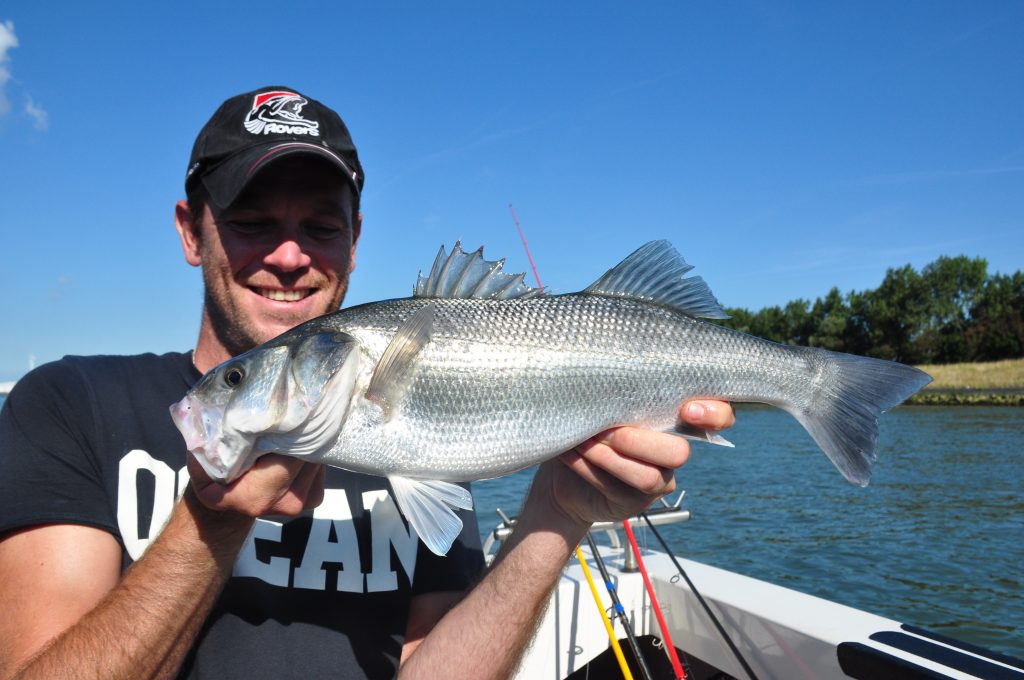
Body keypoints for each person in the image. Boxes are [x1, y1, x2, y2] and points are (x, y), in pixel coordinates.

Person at [0, 86, 736, 680]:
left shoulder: (422, 452)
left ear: (355, 242)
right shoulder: (68, 405)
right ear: (193, 231)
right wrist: (211, 524)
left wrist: (558, 515)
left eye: (321, 226)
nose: (289, 256)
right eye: (254, 220)